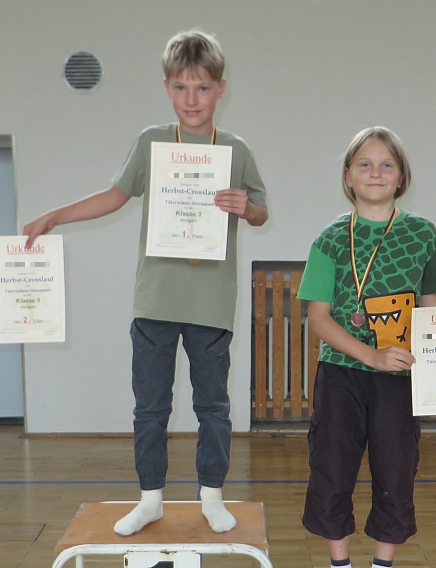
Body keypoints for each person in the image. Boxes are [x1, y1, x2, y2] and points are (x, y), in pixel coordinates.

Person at [24, 31, 268, 536]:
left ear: (220, 89)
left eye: (202, 88)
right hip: (155, 300)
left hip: (211, 304)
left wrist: (248, 208)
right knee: (150, 407)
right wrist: (55, 216)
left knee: (213, 407)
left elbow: (261, 211)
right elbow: (115, 196)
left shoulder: (235, 149)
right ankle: (150, 498)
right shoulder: (152, 142)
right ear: (166, 88)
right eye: (181, 88)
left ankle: (212, 495)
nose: (191, 99)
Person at [296, 127, 436, 568]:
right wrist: (370, 356)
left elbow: (434, 304)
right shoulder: (329, 238)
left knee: (396, 471)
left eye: (387, 164)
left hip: (403, 377)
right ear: (348, 176)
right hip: (342, 375)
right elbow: (318, 318)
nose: (375, 173)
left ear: (402, 176)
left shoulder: (422, 234)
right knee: (332, 469)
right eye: (364, 164)